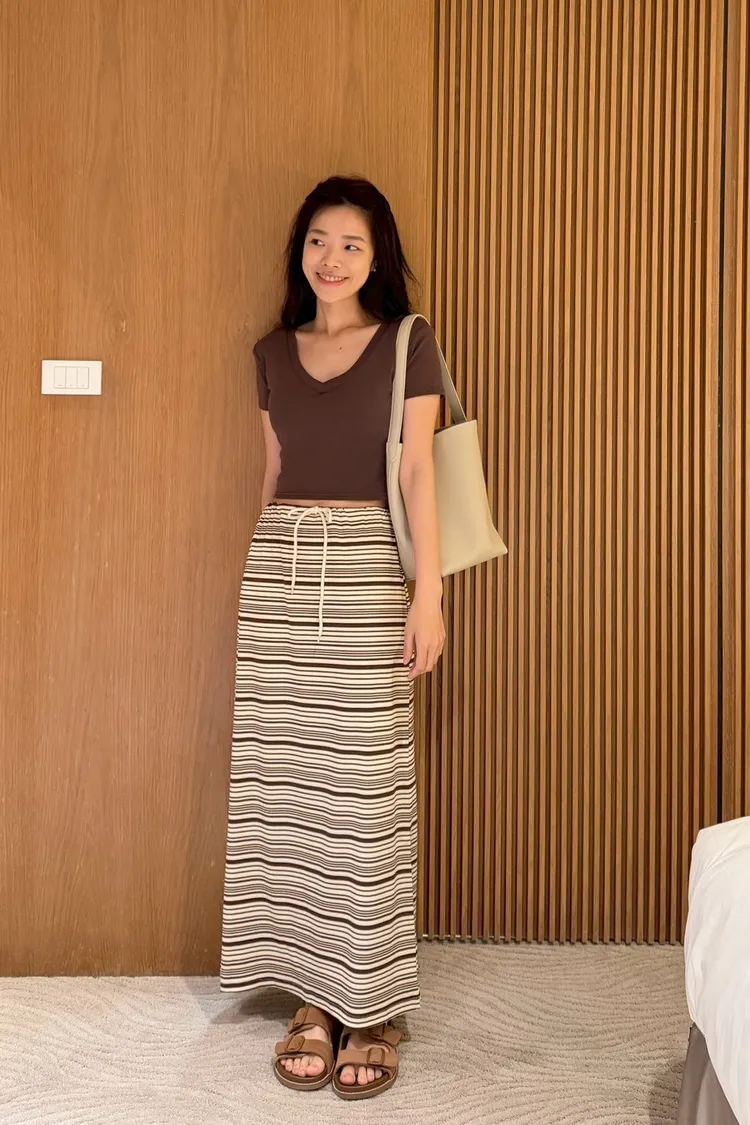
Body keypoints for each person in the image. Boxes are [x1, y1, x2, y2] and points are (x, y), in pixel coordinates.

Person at [219, 175, 446, 1100]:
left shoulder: (407, 342)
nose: (332, 257)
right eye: (319, 239)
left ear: (376, 255)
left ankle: (374, 1002)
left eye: (351, 243)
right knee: (289, 787)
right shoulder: (272, 352)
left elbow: (421, 472)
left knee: (363, 789)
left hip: (366, 570)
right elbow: (272, 474)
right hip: (280, 574)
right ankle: (314, 995)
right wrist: (261, 582)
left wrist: (428, 596)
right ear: (300, 249)